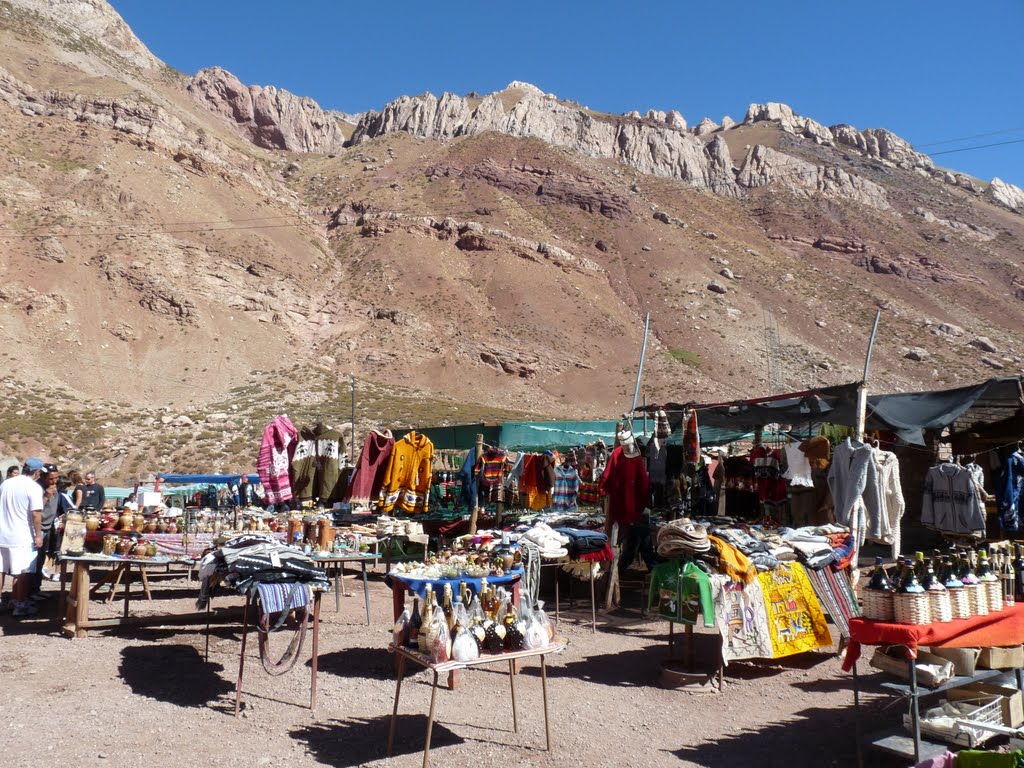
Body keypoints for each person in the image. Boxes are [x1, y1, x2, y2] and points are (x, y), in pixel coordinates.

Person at [0, 458, 45, 617]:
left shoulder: (6, 483)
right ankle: (20, 604)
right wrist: (38, 535)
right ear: (37, 472)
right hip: (21, 535)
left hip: (2, 532)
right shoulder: (33, 487)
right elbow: (36, 513)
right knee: (23, 571)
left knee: (1, 569)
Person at [30, 467, 70, 596]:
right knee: (34, 561)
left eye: (56, 478)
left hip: (49, 526)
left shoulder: (55, 486)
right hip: (39, 528)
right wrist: (46, 496)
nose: (54, 481)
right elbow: (35, 509)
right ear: (42, 477)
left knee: (41, 558)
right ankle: (30, 592)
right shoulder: (37, 488)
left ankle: (37, 588)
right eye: (51, 478)